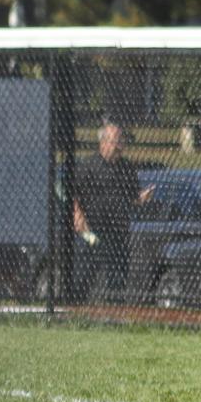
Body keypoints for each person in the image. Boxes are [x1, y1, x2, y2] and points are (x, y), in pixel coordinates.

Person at [69, 122, 152, 302]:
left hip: (118, 232)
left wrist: (141, 197)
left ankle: (114, 313)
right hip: (92, 230)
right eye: (116, 141)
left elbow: (133, 196)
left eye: (122, 142)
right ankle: (75, 306)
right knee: (84, 273)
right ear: (103, 142)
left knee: (117, 277)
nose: (120, 146)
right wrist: (78, 215)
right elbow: (72, 192)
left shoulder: (127, 167)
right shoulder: (88, 166)